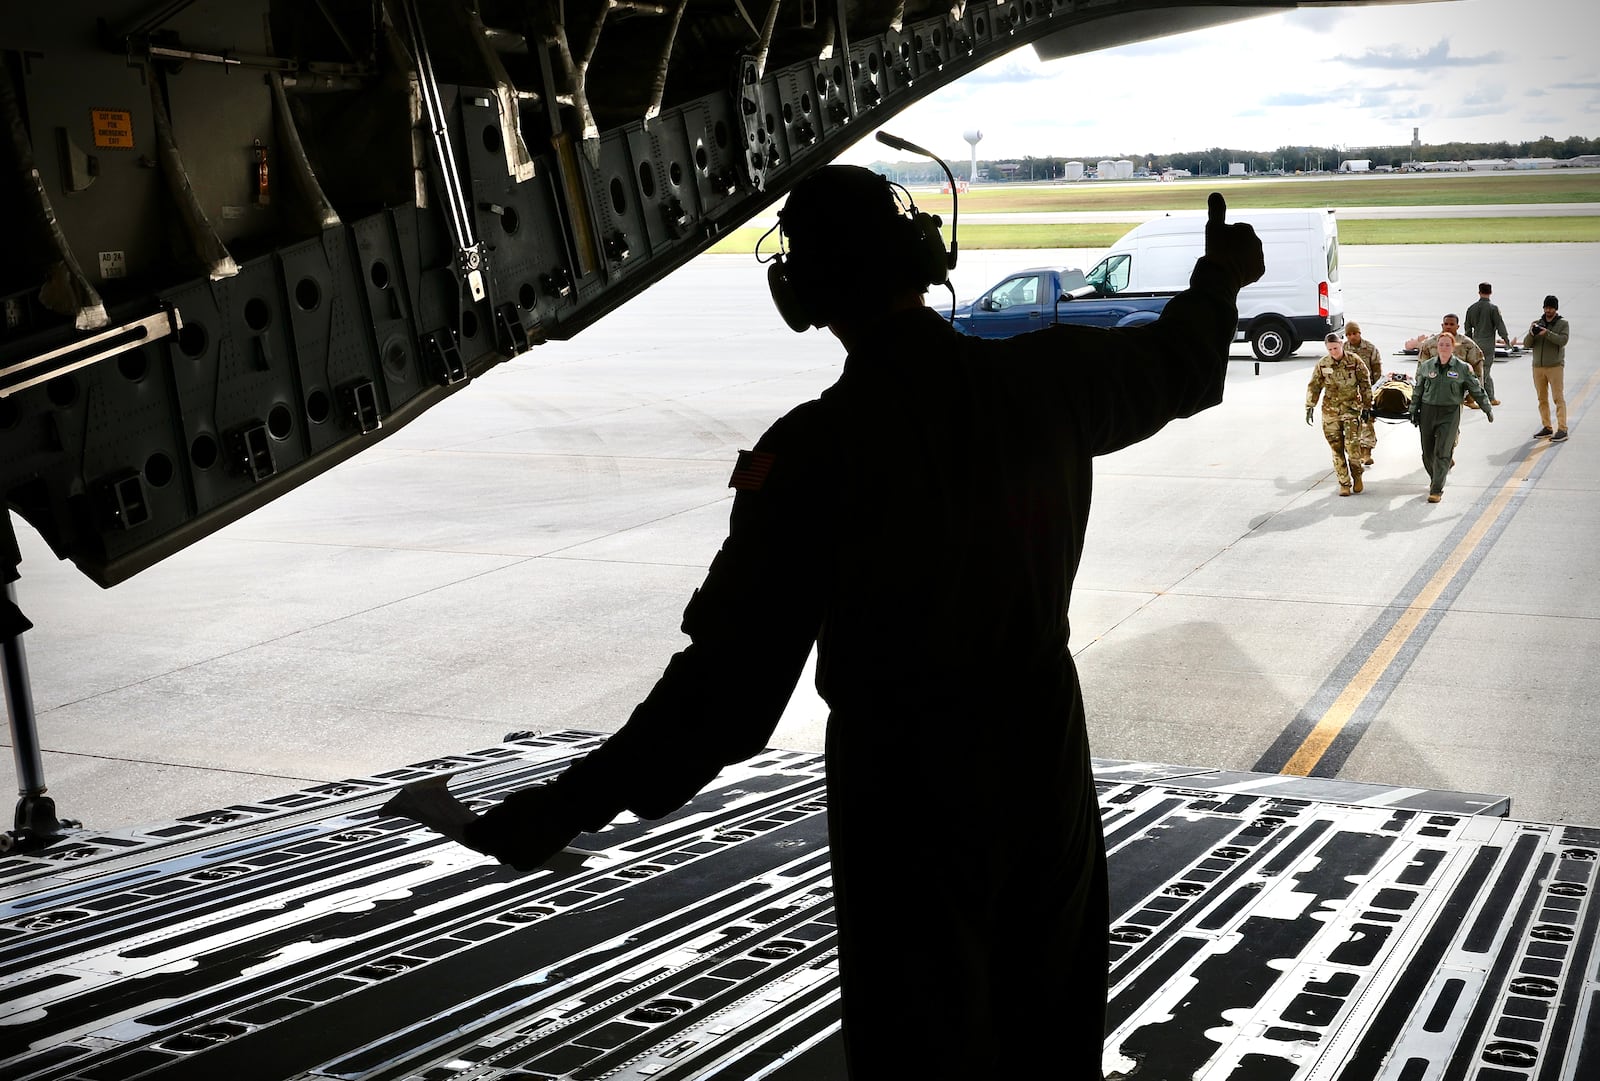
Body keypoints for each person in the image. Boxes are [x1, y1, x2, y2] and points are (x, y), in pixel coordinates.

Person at [386, 169, 1266, 1078]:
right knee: (1049, 1026)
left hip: (907, 787)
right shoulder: (1047, 380)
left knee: (920, 1044)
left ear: (803, 296)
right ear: (924, 261)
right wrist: (1217, 282)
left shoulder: (814, 451)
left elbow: (724, 694)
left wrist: (559, 808)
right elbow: (1182, 368)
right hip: (1043, 758)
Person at [1410, 332, 1493, 502]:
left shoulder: (1462, 368)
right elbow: (1418, 389)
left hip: (1450, 412)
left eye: (1448, 345)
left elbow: (1475, 388)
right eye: (1441, 344)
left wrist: (1487, 408)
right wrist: (1413, 409)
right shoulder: (1427, 366)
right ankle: (1436, 477)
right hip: (1428, 411)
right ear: (1437, 347)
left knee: (1443, 451)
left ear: (1453, 347)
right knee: (1427, 453)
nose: (1444, 347)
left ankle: (1436, 490)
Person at [1306, 332, 1373, 495]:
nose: (1333, 352)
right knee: (1336, 449)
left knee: (1352, 447)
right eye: (1330, 349)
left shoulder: (1354, 361)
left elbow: (1365, 383)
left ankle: (1357, 475)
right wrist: (1310, 405)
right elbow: (1314, 385)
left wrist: (1367, 406)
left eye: (1335, 348)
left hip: (1351, 410)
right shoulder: (1323, 364)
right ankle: (1344, 483)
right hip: (1330, 412)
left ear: (1341, 345)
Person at [1527, 294, 1570, 441]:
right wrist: (1532, 333)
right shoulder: (1537, 323)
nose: (1548, 310)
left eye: (1551, 308)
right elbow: (1527, 344)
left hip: (1555, 366)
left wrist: (1547, 333)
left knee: (1558, 398)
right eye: (1546, 307)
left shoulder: (1563, 323)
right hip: (1538, 367)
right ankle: (1547, 427)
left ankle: (1563, 429)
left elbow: (1562, 340)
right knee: (1542, 399)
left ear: (1556, 309)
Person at [1463, 282, 1510, 405]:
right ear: (1490, 292)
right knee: (1485, 371)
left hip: (1475, 343)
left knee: (1478, 370)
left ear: (1479, 292)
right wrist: (1506, 339)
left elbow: (1467, 327)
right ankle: (1476, 397)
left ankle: (1490, 397)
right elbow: (1500, 324)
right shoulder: (1493, 308)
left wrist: (1469, 342)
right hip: (1488, 344)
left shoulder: (1471, 308)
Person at [1344, 321, 1383, 464]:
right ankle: (1356, 452)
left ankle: (1367, 452)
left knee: (1367, 420)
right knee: (1352, 424)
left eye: (1354, 333)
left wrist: (1376, 390)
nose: (1352, 337)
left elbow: (1377, 370)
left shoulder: (1370, 348)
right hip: (1349, 392)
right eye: (1349, 334)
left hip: (1367, 390)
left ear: (1359, 333)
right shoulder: (1343, 349)